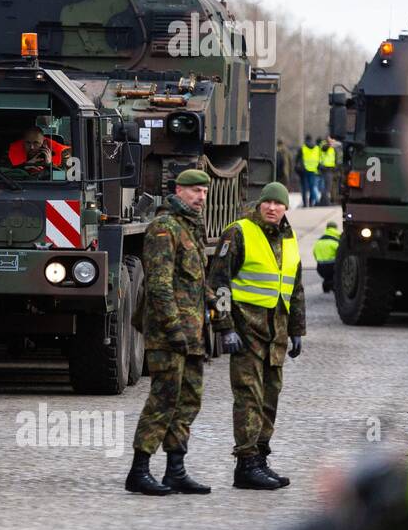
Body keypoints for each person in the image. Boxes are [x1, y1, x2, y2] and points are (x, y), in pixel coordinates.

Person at [209, 181, 305, 490]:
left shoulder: (289, 239)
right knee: (249, 396)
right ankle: (246, 464)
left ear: (285, 208)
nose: (273, 208)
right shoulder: (238, 232)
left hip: (276, 333)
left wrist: (297, 331)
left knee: (271, 397)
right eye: (268, 203)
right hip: (246, 330)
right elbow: (218, 282)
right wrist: (224, 327)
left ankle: (261, 458)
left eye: (278, 204)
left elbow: (296, 288)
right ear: (260, 204)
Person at [126, 169, 212, 496]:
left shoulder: (192, 228)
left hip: (191, 334)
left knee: (188, 401)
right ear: (178, 190)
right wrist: (174, 330)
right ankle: (139, 470)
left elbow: (196, 285)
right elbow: (160, 286)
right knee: (163, 400)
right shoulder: (165, 229)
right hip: (169, 334)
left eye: (204, 191)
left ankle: (175, 469)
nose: (200, 196)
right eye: (194, 191)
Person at [4, 126, 70, 177]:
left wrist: (50, 165)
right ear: (23, 142)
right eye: (28, 143)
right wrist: (24, 167)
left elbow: (67, 178)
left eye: (36, 143)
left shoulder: (62, 153)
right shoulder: (11, 152)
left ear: (44, 142)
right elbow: (3, 175)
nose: (31, 147)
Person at [313, 220, 341, 293]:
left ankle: (326, 285)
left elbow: (315, 253)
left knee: (327, 277)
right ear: (336, 228)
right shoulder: (336, 241)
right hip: (333, 267)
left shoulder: (319, 242)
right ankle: (333, 285)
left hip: (320, 267)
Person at [300, 135, 322, 207]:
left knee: (304, 189)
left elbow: (298, 160)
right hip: (314, 171)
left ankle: (305, 204)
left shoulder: (303, 148)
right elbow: (320, 160)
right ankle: (311, 203)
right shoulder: (317, 148)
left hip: (304, 171)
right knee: (312, 187)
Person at [320, 136, 339, 206]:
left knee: (328, 187)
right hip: (325, 169)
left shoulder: (333, 148)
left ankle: (326, 201)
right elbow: (324, 148)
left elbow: (335, 158)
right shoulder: (324, 145)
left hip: (331, 170)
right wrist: (329, 143)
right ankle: (325, 202)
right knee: (327, 187)